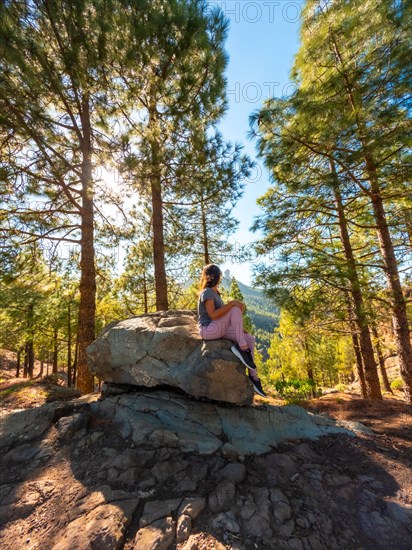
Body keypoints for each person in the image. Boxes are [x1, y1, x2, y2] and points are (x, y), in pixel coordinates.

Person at [197, 263, 267, 397]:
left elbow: (223, 316)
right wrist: (232, 304)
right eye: (219, 276)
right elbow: (212, 315)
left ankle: (254, 377)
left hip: (217, 329)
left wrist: (240, 329)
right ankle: (241, 346)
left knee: (249, 338)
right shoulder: (207, 293)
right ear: (217, 277)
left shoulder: (215, 293)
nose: (220, 278)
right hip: (208, 330)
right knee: (235, 308)